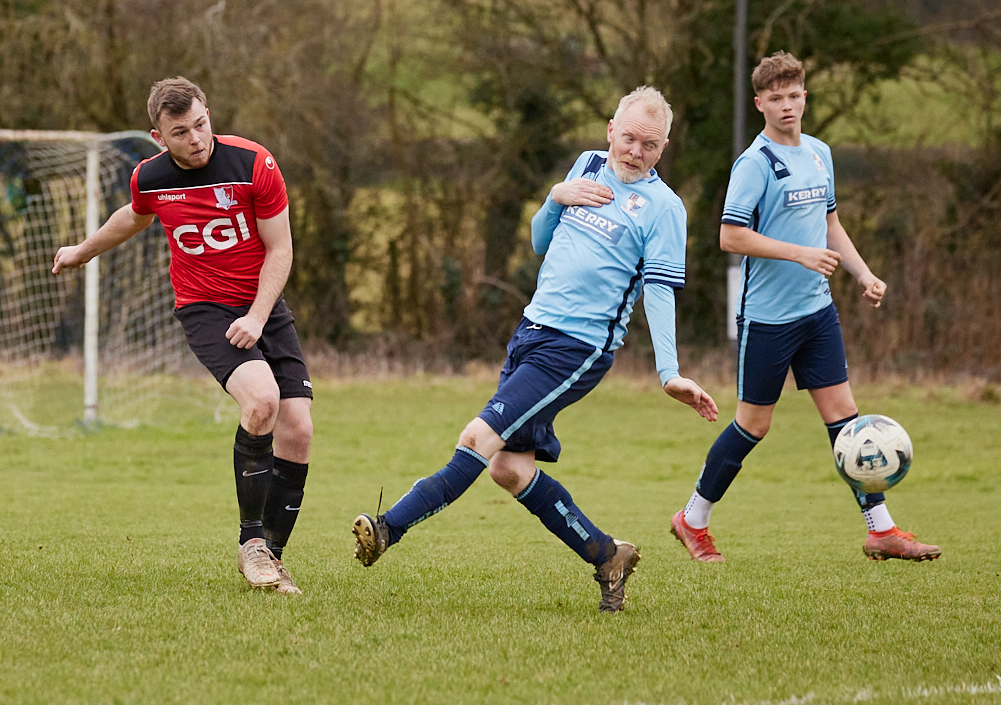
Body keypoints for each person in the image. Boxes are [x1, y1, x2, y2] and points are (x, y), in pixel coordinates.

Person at [350, 86, 719, 613]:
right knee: (509, 469)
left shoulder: (664, 208)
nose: (636, 151)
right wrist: (555, 197)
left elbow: (659, 290)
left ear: (664, 148)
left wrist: (669, 372)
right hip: (531, 331)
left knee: (477, 438)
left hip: (576, 348)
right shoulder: (587, 165)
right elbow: (539, 241)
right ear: (611, 130)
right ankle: (607, 555)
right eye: (629, 138)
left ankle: (389, 529)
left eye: (650, 144)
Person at [668, 51, 940, 564]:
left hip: (817, 312)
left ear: (805, 97)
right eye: (776, 98)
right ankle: (693, 519)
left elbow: (830, 224)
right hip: (768, 319)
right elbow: (730, 236)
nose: (787, 105)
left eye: (794, 95)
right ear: (760, 104)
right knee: (753, 426)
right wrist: (799, 253)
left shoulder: (819, 153)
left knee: (847, 422)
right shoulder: (754, 164)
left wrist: (863, 273)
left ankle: (881, 531)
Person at [53, 78, 313, 595]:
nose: (196, 138)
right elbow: (134, 216)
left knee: (299, 430)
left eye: (200, 124)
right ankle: (251, 543)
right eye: (180, 132)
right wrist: (83, 250)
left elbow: (280, 249)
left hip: (263, 306)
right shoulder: (150, 177)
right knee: (261, 402)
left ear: (208, 114)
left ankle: (271, 558)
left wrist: (258, 317)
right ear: (159, 137)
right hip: (205, 308)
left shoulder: (253, 164)